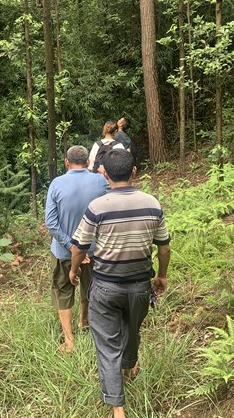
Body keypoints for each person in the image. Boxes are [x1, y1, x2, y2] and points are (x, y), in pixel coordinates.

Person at [69, 149, 171, 418]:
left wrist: (74, 270)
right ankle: (129, 367)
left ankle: (117, 407)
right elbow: (163, 247)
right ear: (134, 171)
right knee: (131, 329)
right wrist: (162, 275)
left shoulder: (97, 207)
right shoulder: (152, 203)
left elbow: (79, 247)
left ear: (104, 174)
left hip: (105, 287)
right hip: (140, 286)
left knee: (107, 345)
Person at [44, 145, 108, 352]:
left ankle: (69, 339)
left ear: (66, 162)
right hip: (93, 250)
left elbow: (51, 223)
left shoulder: (56, 184)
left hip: (63, 252)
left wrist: (71, 246)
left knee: (63, 290)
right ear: (88, 162)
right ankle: (85, 322)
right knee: (90, 288)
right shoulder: (100, 181)